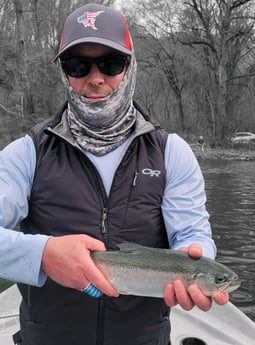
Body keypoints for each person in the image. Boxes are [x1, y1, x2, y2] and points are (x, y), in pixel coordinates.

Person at [0, 3, 228, 345]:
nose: (95, 78)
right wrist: (43, 255)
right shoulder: (27, 153)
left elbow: (193, 233)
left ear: (130, 66)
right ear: (64, 72)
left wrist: (197, 259)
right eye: (78, 65)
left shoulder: (172, 153)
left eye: (111, 63)